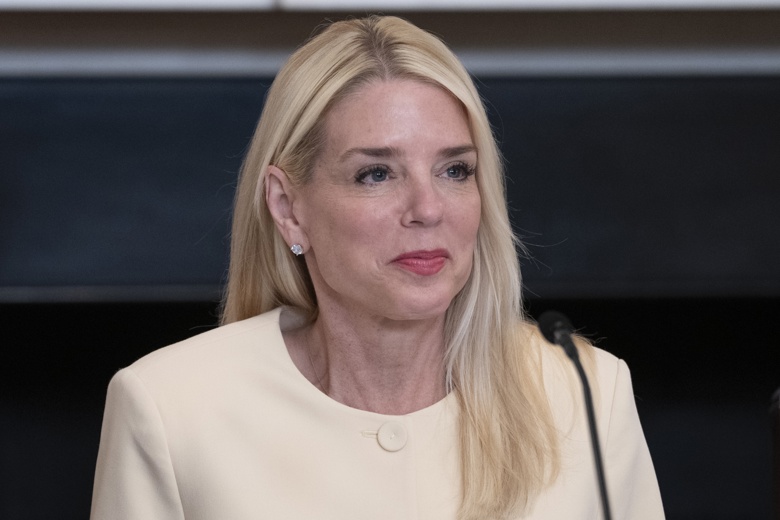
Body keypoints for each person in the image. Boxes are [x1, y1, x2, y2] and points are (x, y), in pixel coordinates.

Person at [90, 15, 664, 520]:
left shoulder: (587, 393)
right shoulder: (170, 407)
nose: (427, 209)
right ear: (288, 208)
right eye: (376, 174)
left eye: (455, 171)